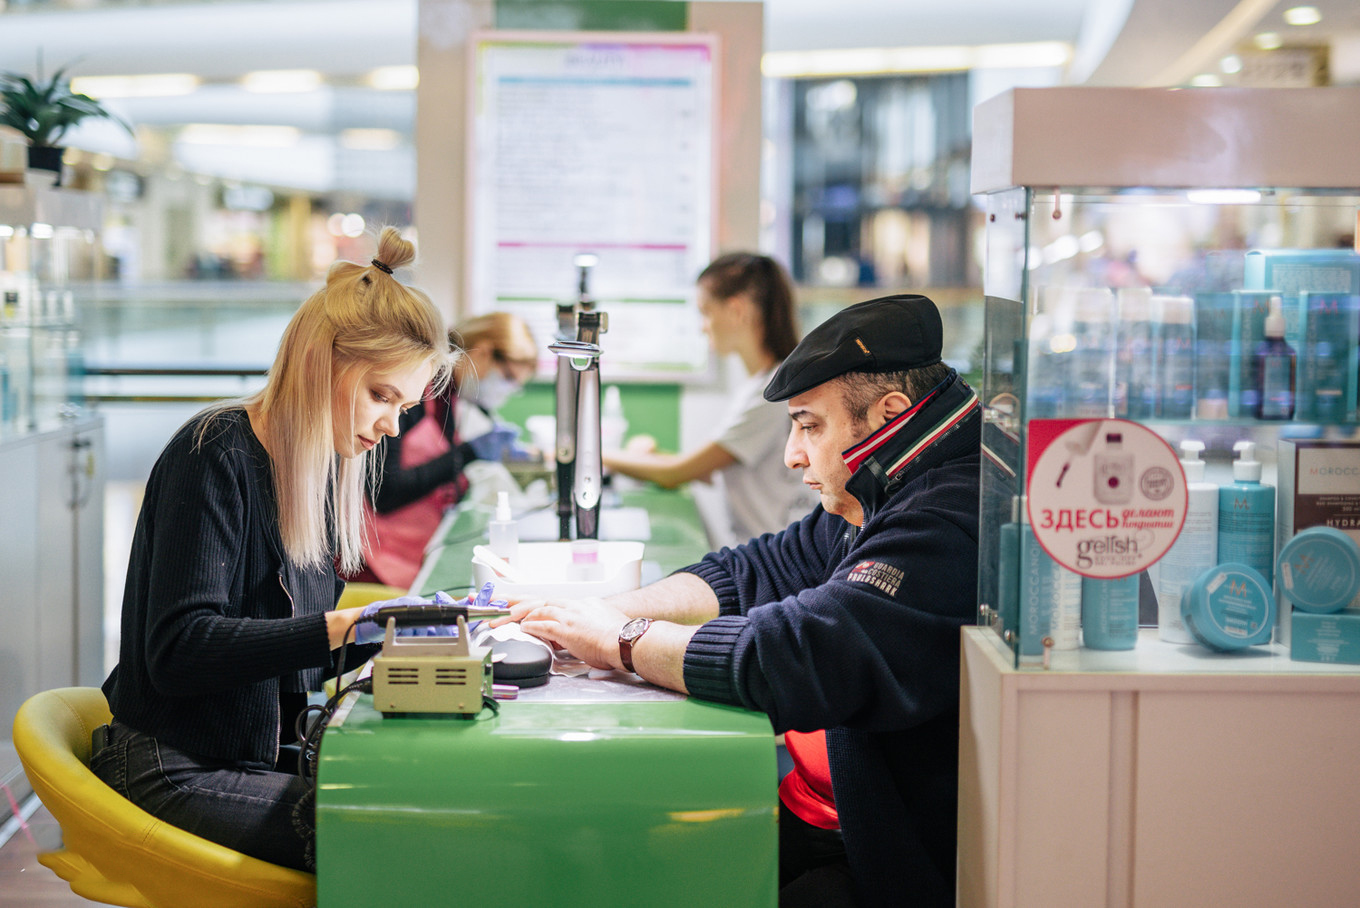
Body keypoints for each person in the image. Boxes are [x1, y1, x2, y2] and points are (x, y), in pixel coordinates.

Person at [503, 293, 981, 907]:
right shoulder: (883, 482)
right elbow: (757, 568)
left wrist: (622, 642)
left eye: (810, 424)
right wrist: (610, 609)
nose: (793, 454)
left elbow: (797, 657)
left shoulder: (948, 516)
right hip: (830, 816)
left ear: (890, 414)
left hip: (892, 858)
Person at [92, 227, 456, 872]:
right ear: (324, 362)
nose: (391, 426)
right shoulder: (215, 453)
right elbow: (179, 652)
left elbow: (288, 663)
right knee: (404, 846)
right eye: (381, 396)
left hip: (243, 758)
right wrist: (344, 627)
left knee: (434, 815)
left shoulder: (315, 472)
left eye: (404, 405)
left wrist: (402, 634)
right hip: (172, 764)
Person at [603, 253, 817, 548]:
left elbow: (676, 474)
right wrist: (646, 458)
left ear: (736, 310)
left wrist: (588, 454)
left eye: (706, 312)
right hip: (766, 550)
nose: (703, 326)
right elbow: (702, 465)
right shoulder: (760, 384)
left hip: (778, 557)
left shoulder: (773, 393)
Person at [356, 311, 539, 588]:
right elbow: (385, 492)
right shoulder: (413, 390)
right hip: (370, 560)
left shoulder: (448, 398)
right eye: (508, 377)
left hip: (408, 550)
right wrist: (468, 453)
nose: (507, 390)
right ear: (484, 353)